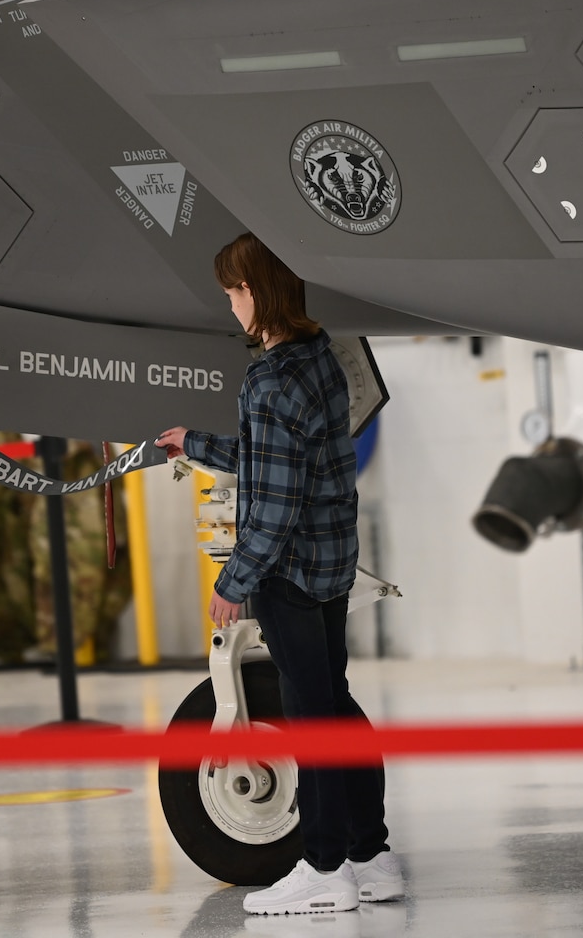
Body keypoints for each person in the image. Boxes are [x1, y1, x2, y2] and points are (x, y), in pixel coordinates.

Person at [156, 232, 402, 916]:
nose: (231, 304)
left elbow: (273, 502)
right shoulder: (319, 357)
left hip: (288, 573)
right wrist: (196, 444)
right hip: (330, 563)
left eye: (234, 291)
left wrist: (233, 583)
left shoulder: (268, 379)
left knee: (308, 717)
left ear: (260, 293)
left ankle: (322, 867)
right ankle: (370, 854)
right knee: (334, 705)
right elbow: (279, 456)